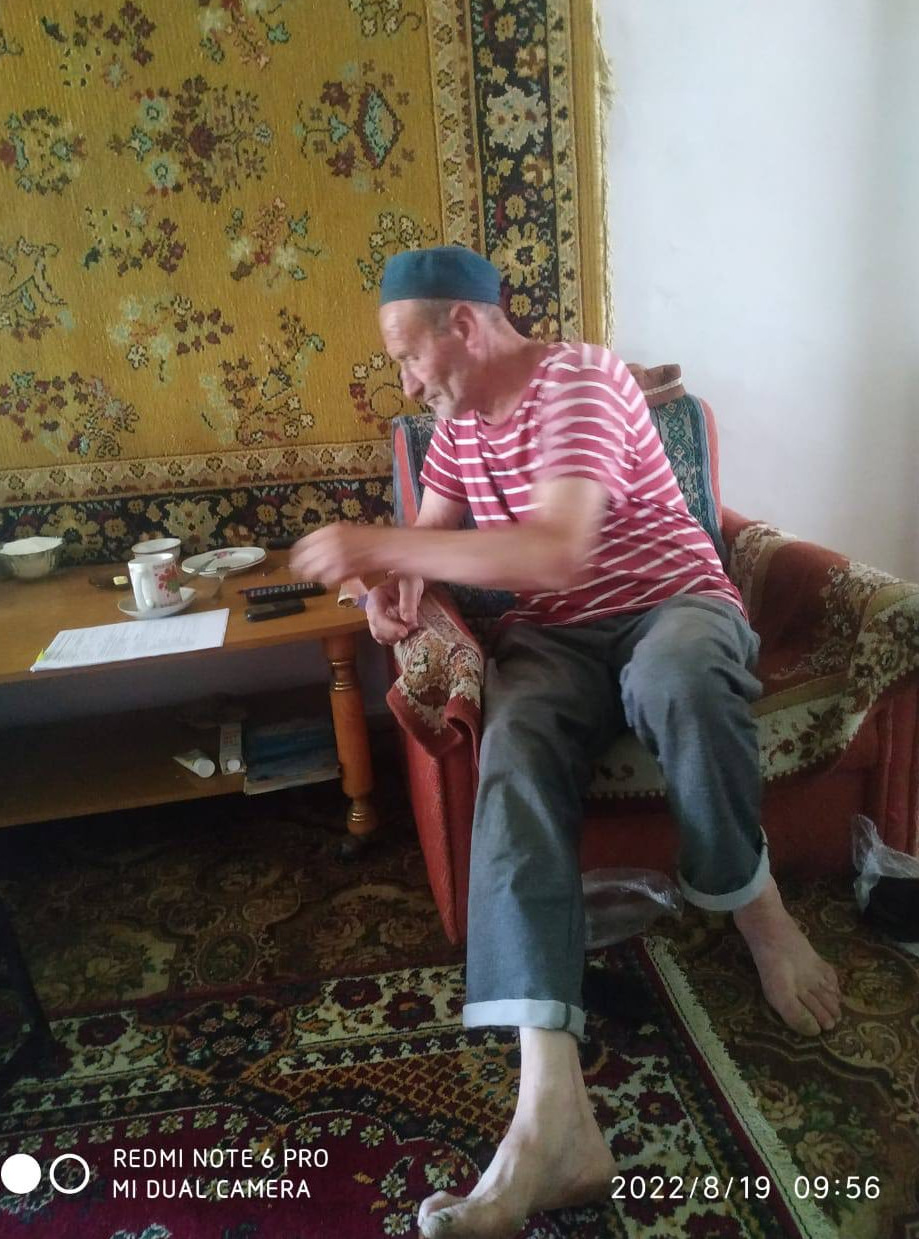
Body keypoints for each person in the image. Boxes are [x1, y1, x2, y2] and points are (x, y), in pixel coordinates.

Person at [290, 246, 842, 1239]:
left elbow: (554, 549)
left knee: (677, 678)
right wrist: (390, 589)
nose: (405, 383)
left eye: (407, 355)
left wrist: (378, 542)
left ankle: (753, 907)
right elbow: (431, 548)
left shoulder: (577, 379)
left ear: (463, 325)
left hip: (669, 602)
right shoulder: (454, 429)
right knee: (514, 758)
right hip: (551, 638)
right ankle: (552, 1113)